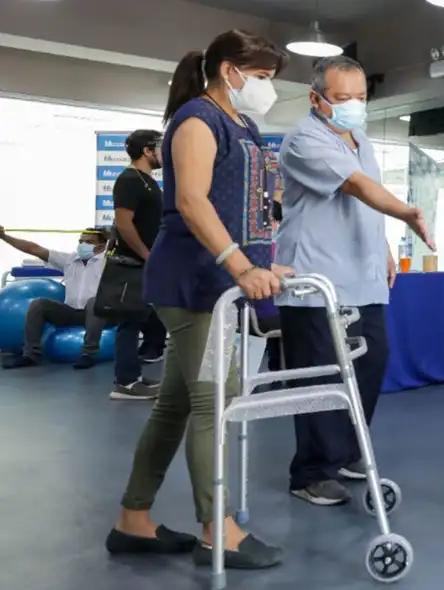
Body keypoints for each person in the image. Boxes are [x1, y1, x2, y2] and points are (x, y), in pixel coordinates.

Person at [106, 29, 290, 571]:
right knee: (216, 401)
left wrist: (262, 260)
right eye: (260, 78)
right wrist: (240, 264)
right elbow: (190, 201)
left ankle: (133, 520)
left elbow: (244, 203)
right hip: (193, 284)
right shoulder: (195, 120)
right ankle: (218, 530)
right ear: (229, 71)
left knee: (175, 407)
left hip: (222, 283)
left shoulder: (245, 124)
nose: (266, 88)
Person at [275, 55, 433, 506]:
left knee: (370, 361)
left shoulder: (361, 139)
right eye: (342, 98)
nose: (353, 107)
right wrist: (406, 211)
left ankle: (344, 453)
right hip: (316, 278)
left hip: (362, 276)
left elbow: (365, 203)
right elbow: (357, 188)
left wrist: (382, 245)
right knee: (320, 377)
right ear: (316, 98)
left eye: (360, 98)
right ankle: (309, 472)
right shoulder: (304, 139)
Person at [0, 226, 109, 370]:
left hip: (99, 314)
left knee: (94, 301)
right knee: (39, 304)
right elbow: (33, 249)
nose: (82, 245)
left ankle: (88, 354)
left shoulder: (108, 262)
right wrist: (4, 236)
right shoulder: (70, 260)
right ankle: (31, 355)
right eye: (80, 241)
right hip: (72, 312)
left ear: (101, 247)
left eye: (88, 242)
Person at [109, 129, 166, 401]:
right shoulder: (130, 180)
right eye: (160, 146)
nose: (164, 152)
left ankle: (133, 375)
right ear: (147, 150)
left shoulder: (148, 181)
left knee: (140, 318)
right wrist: (147, 254)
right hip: (133, 263)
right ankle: (125, 383)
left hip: (146, 262)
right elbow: (123, 223)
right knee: (129, 323)